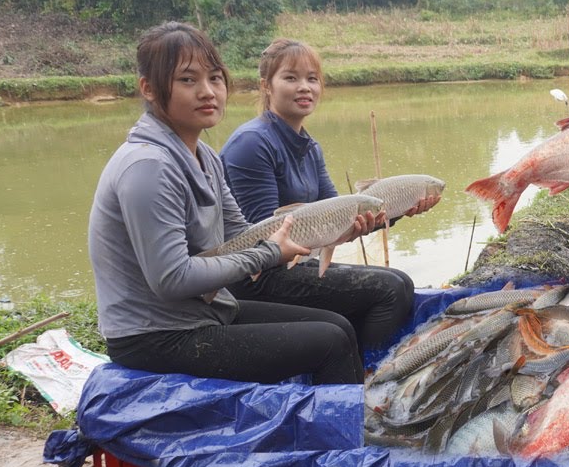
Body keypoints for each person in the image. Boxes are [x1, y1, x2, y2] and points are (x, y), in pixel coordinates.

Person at [88, 22, 364, 385]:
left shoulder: (203, 154)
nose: (208, 92)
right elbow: (172, 279)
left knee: (338, 326)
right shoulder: (148, 167)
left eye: (215, 78)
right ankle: (334, 437)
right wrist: (268, 254)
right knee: (328, 343)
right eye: (188, 80)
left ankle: (335, 416)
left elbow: (239, 233)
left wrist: (326, 231)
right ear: (149, 89)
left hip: (205, 311)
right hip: (154, 335)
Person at [221, 39, 439, 355]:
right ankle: (364, 376)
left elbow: (342, 222)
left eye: (312, 78)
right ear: (266, 86)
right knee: (391, 290)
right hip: (256, 274)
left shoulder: (309, 147)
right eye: (291, 78)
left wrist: (398, 210)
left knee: (401, 283)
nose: (304, 87)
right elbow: (262, 238)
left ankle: (365, 368)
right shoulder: (252, 144)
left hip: (294, 265)